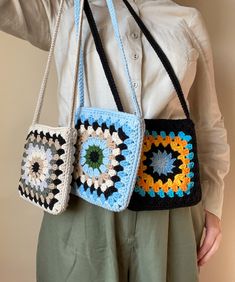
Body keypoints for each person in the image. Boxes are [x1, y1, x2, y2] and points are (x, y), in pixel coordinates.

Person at [0, 0, 230, 281]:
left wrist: (213, 205)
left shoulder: (186, 20)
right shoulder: (62, 8)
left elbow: (207, 122)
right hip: (80, 203)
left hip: (169, 203)